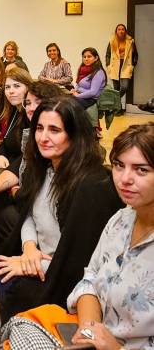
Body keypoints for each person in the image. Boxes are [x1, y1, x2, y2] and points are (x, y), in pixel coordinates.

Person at [0, 96, 123, 323]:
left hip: (61, 284)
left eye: (54, 130)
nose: (43, 137)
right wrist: (29, 247)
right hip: (36, 261)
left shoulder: (91, 187)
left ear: (74, 136)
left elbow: (82, 267)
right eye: (39, 128)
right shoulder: (44, 168)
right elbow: (29, 214)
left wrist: (28, 264)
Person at [66, 122, 154, 350]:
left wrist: (112, 348)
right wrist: (90, 332)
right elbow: (90, 280)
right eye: (118, 165)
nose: (124, 179)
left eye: (141, 170)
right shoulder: (121, 219)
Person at [0, 81, 64, 257]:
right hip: (31, 218)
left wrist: (15, 193)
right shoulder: (29, 133)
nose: (31, 108)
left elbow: (31, 199)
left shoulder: (50, 147)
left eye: (38, 103)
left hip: (45, 237)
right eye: (28, 103)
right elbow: (14, 169)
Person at [0, 68, 33, 168]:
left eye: (16, 86)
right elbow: (6, 139)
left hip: (16, 170)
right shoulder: (15, 109)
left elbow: (28, 158)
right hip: (6, 160)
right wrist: (0, 155)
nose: (11, 91)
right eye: (7, 87)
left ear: (28, 88)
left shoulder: (30, 115)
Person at [105, 24, 139, 102]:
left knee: (124, 87)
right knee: (116, 89)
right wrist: (108, 65)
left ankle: (114, 102)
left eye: (122, 29)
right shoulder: (112, 41)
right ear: (116, 31)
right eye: (119, 29)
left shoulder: (130, 41)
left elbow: (135, 55)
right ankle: (118, 109)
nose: (121, 31)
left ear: (125, 31)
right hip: (115, 65)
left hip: (126, 65)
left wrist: (133, 65)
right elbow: (108, 55)